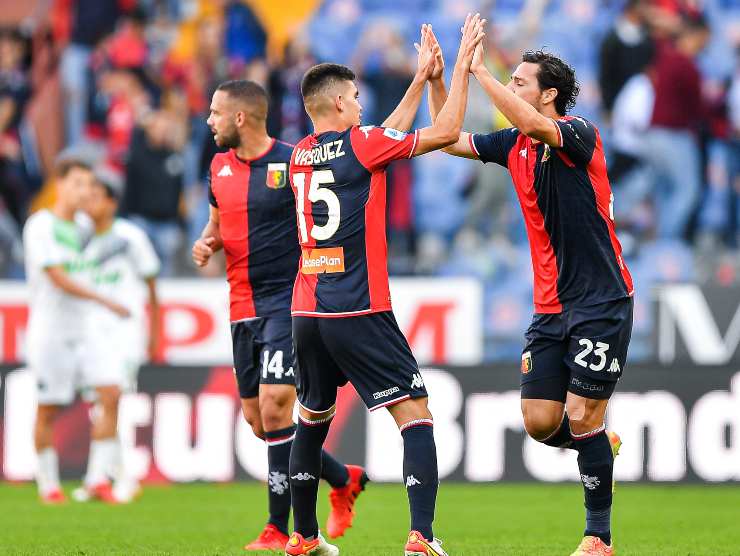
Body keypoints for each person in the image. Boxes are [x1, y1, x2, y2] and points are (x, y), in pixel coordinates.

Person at [426, 27, 634, 556]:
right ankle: (598, 449)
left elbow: (531, 123)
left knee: (584, 413)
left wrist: (478, 72)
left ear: (548, 94)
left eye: (520, 82)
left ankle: (598, 538)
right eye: (510, 80)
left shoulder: (578, 132)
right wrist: (441, 79)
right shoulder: (512, 145)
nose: (512, 88)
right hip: (549, 306)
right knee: (542, 422)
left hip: (600, 301)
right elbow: (448, 137)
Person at [285, 14, 485, 556]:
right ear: (338, 106)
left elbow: (378, 141)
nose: (360, 102)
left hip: (307, 311)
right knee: (414, 413)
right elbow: (443, 132)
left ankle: (301, 537)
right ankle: (421, 534)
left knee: (312, 419)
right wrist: (459, 70)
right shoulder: (362, 144)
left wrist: (419, 80)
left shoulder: (301, 155)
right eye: (354, 96)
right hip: (359, 307)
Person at [192, 79, 366, 551]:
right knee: (258, 420)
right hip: (240, 304)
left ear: (241, 118)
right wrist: (208, 242)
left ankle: (278, 527)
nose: (210, 121)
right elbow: (217, 223)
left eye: (215, 113)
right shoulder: (218, 166)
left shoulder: (293, 161)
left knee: (274, 406)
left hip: (287, 301)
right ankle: (342, 476)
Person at [23, 154, 130, 504]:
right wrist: (105, 300)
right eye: (78, 183)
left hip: (88, 328)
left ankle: (98, 478)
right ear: (60, 185)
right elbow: (58, 277)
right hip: (52, 330)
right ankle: (48, 485)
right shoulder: (40, 225)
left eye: (89, 184)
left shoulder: (85, 226)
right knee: (48, 409)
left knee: (111, 393)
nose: (85, 191)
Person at [71, 165, 161, 504]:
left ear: (111, 202)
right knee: (101, 404)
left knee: (113, 399)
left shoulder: (130, 237)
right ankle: (109, 477)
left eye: (96, 196)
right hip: (90, 333)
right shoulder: (77, 236)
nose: (89, 202)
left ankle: (111, 478)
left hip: (123, 332)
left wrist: (155, 334)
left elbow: (152, 286)